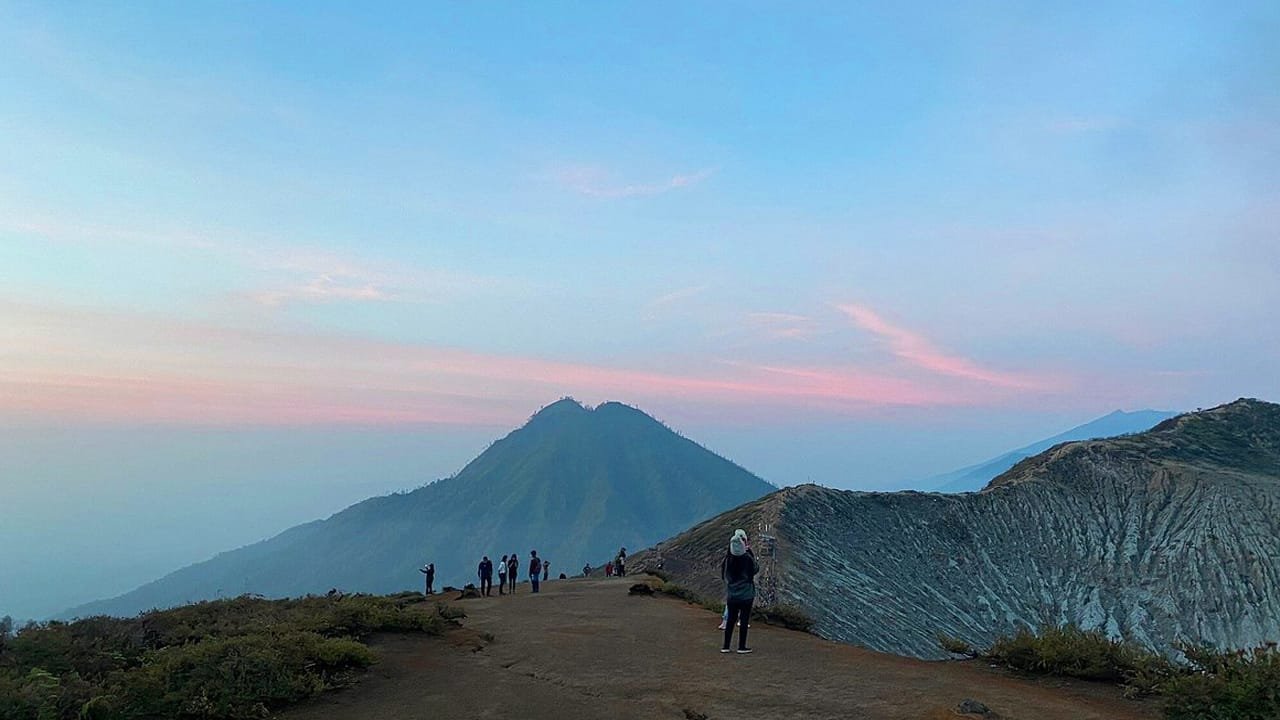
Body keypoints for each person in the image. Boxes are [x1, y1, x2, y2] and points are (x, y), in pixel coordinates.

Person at [720, 529, 758, 654]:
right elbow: (755, 569)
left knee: (731, 619)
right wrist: (749, 551)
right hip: (746, 594)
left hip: (732, 595)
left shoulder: (728, 560)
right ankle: (741, 647)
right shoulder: (747, 559)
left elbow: (724, 575)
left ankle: (726, 646)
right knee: (744, 620)